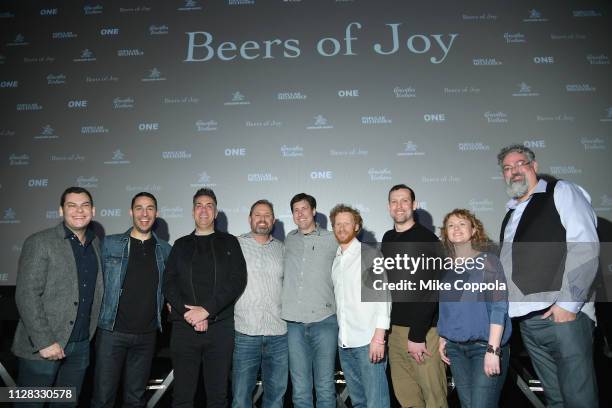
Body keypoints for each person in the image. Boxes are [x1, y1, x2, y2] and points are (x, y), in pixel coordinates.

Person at [498, 144, 599, 407]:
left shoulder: (561, 191)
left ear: (534, 166)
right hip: (528, 322)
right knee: (554, 399)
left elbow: (585, 246)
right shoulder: (510, 214)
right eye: (507, 168)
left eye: (520, 164)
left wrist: (568, 303)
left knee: (578, 398)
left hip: (563, 317)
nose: (514, 171)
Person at [12, 187, 104, 407]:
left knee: (65, 404)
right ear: (61, 210)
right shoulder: (40, 242)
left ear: (93, 210)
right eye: (72, 205)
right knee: (29, 404)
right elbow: (26, 295)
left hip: (80, 345)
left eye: (84, 205)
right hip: (44, 346)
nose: (79, 211)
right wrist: (44, 341)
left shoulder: (95, 244)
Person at [163, 188, 247, 408]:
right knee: (182, 397)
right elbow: (169, 283)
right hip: (184, 329)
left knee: (218, 397)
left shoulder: (230, 242)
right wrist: (188, 313)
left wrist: (206, 310)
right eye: (199, 205)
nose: (204, 209)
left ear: (216, 212)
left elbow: (237, 281)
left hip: (220, 329)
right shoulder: (180, 245)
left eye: (209, 205)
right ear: (192, 212)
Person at [92, 192, 172, 407]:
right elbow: (94, 284)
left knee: (135, 399)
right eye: (139, 208)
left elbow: (171, 286)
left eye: (150, 208)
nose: (144, 214)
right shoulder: (110, 244)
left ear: (156, 213)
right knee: (103, 397)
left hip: (147, 336)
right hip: (112, 333)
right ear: (131, 212)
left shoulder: (165, 249)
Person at [381, 184, 447, 408]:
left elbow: (432, 290)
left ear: (414, 205)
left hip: (422, 332)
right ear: (388, 206)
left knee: (433, 397)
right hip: (394, 331)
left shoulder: (427, 239)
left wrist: (417, 335)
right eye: (394, 201)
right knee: (406, 396)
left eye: (404, 201)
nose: (399, 206)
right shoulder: (388, 238)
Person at [437, 209, 511, 408]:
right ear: (446, 233)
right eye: (451, 225)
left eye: (462, 224)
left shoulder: (488, 261)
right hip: (456, 349)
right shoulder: (445, 267)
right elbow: (446, 307)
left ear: (473, 230)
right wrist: (443, 337)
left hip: (484, 347)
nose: (456, 228)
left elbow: (499, 306)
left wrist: (493, 350)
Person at [330, 204, 391, 408]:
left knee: (377, 403)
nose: (342, 227)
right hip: (345, 345)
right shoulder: (336, 261)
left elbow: (383, 298)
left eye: (347, 223)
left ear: (356, 226)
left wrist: (379, 338)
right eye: (338, 224)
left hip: (368, 342)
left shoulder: (369, 255)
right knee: (358, 403)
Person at [281, 193, 338, 408]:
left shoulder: (332, 239)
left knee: (324, 387)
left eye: (304, 208)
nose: (300, 213)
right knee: (300, 389)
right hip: (294, 324)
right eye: (296, 210)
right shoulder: (289, 240)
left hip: (324, 321)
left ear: (314, 211)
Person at [232, 200, 288, 408]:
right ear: (249, 219)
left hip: (278, 334)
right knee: (240, 397)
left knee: (275, 398)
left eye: (267, 215)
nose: (262, 219)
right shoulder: (234, 245)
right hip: (245, 332)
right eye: (257, 214)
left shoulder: (283, 249)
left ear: (273, 221)